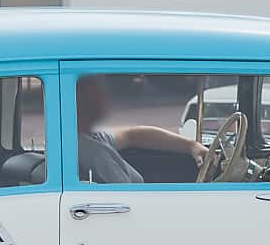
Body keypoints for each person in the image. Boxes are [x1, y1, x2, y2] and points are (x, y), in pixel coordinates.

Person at [74, 75, 209, 184]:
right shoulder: (84, 149)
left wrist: (191, 146)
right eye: (93, 93)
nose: (103, 98)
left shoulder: (92, 139)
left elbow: (133, 135)